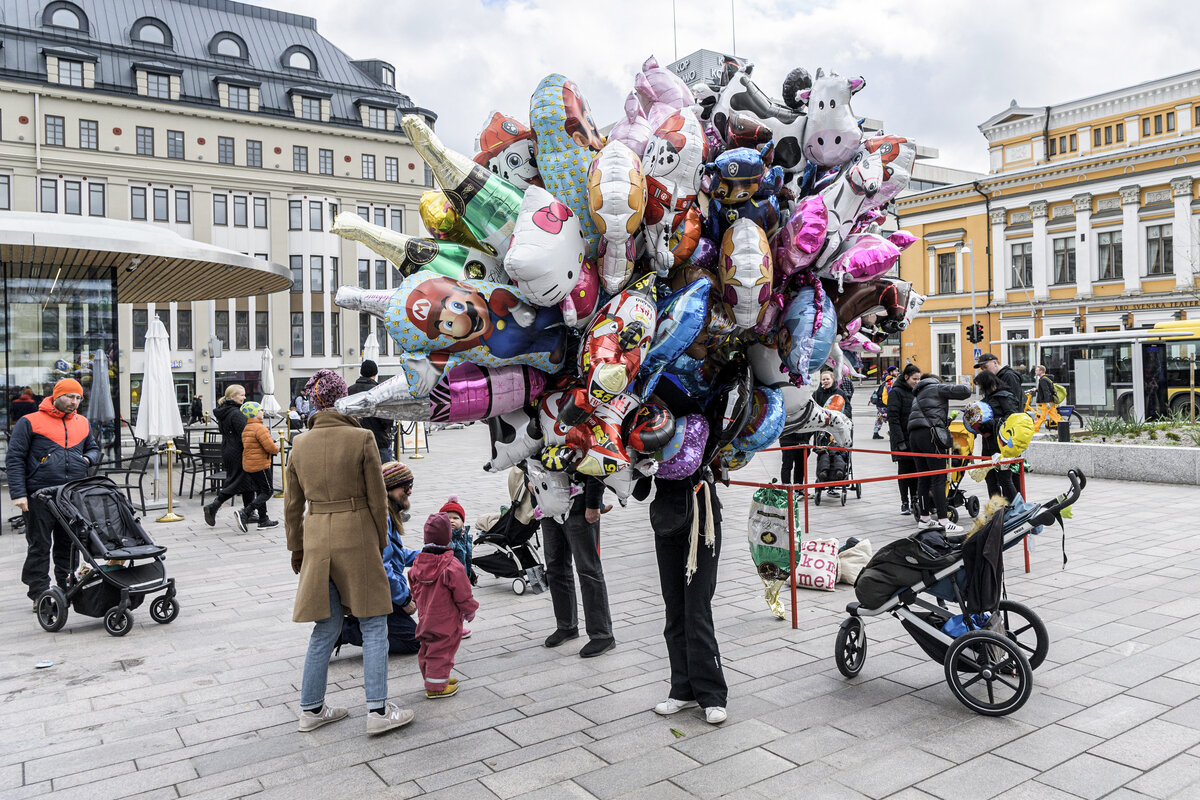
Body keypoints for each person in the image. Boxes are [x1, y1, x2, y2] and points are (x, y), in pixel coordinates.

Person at [284, 369, 414, 735]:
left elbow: (292, 505)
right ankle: (377, 710)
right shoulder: (361, 438)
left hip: (317, 537)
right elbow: (377, 496)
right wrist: (381, 541)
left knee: (325, 626)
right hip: (357, 534)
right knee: (373, 623)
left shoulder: (299, 444)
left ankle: (311, 709)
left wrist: (296, 547)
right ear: (342, 398)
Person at [639, 379, 727, 725]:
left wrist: (651, 376)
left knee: (697, 609)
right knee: (674, 609)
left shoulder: (698, 417)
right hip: (667, 520)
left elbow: (689, 405)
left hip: (702, 519)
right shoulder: (644, 424)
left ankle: (712, 694)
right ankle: (682, 689)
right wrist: (639, 464)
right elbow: (640, 491)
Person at [7, 379, 99, 610]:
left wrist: (86, 459)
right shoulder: (30, 421)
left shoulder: (83, 422)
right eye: (69, 396)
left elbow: (94, 448)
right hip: (39, 496)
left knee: (69, 545)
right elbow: (15, 458)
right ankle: (39, 593)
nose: (74, 402)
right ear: (56, 396)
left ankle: (67, 588)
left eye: (78, 398)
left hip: (71, 495)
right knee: (39, 546)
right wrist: (19, 494)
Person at [339, 461, 420, 656]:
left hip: (381, 590)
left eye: (411, 486)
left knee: (415, 636)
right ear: (389, 488)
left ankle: (360, 623)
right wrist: (404, 599)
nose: (409, 491)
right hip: (374, 594)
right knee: (415, 641)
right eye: (405, 487)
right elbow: (382, 566)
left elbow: (395, 555)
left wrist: (427, 555)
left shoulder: (388, 513)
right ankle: (344, 630)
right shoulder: (381, 518)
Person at [541, 476, 615, 658]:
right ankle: (566, 626)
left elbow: (597, 466)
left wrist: (593, 503)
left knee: (588, 570)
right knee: (555, 567)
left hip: (580, 505)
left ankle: (602, 635)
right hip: (548, 504)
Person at [409, 512, 479, 699]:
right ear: (448, 537)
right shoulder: (451, 565)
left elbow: (413, 584)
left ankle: (433, 678)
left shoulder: (418, 563)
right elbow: (463, 592)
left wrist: (416, 599)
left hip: (425, 617)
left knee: (427, 647)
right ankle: (436, 686)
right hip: (446, 620)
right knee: (442, 651)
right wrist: (470, 610)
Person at [907, 374, 971, 534]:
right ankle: (944, 520)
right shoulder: (936, 387)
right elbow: (965, 391)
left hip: (914, 435)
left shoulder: (918, 394)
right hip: (930, 436)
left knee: (923, 477)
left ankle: (924, 519)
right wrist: (967, 383)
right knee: (938, 477)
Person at [203, 385, 255, 528]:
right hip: (238, 450)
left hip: (228, 449)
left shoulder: (224, 411)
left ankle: (250, 512)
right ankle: (214, 505)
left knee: (246, 480)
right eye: (241, 395)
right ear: (232, 397)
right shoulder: (236, 413)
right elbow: (245, 433)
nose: (244, 397)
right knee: (238, 480)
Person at [973, 371, 1019, 502]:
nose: (979, 388)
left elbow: (1012, 417)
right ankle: (996, 509)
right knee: (990, 478)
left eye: (980, 385)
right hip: (988, 443)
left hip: (1002, 444)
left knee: (1004, 479)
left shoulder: (1004, 396)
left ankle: (1016, 508)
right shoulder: (987, 398)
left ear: (987, 384)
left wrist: (991, 424)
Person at [234, 401, 280, 531]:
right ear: (254, 413)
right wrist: (277, 449)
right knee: (268, 491)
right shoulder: (260, 428)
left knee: (261, 491)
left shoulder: (247, 428)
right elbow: (269, 446)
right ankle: (245, 512)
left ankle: (263, 519)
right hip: (260, 464)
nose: (262, 412)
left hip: (250, 464)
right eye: (260, 410)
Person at [887, 365, 922, 515]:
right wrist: (900, 441)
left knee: (915, 471)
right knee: (904, 472)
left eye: (919, 379)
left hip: (914, 438)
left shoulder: (916, 392)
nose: (917, 382)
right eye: (915, 379)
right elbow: (893, 419)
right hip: (901, 439)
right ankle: (904, 502)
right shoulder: (896, 392)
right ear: (906, 377)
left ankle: (915, 499)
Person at [348, 360, 395, 463]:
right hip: (378, 440)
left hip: (355, 441)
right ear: (375, 373)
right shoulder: (379, 391)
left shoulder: (349, 390)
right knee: (384, 471)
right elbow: (386, 418)